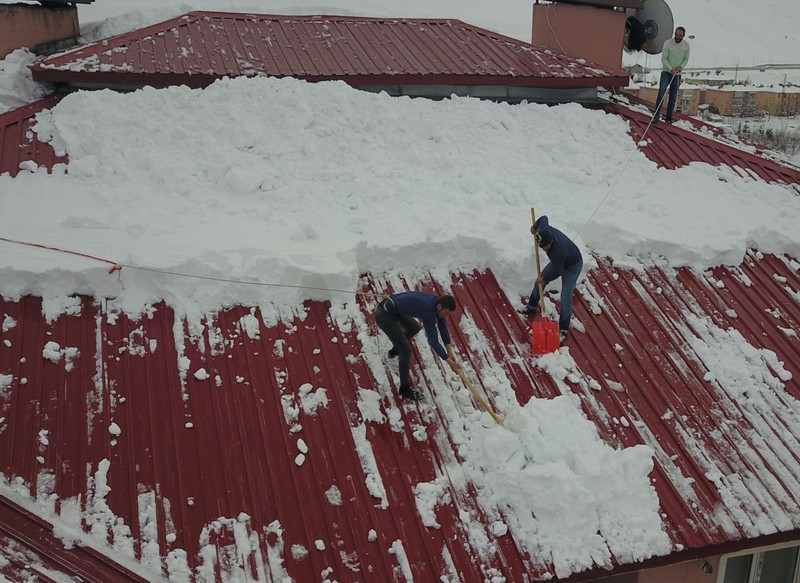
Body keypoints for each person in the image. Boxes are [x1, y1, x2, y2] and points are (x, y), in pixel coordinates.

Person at [374, 291, 460, 401]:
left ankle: (395, 350)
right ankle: (405, 390)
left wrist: (450, 351)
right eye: (446, 313)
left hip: (393, 308)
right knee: (406, 352)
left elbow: (442, 326)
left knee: (415, 327)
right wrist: (450, 362)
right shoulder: (428, 310)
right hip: (385, 315)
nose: (446, 316)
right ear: (440, 306)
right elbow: (433, 341)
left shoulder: (436, 302)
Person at [517, 216, 583, 344]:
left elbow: (560, 270)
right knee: (538, 282)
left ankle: (563, 329)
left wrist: (545, 279)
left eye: (545, 247)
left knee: (565, 297)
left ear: (551, 242)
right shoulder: (544, 230)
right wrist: (535, 227)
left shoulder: (558, 251)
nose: (544, 249)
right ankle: (531, 306)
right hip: (560, 262)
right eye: (541, 247)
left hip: (572, 265)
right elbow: (544, 218)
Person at [652, 27, 690, 124]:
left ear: (683, 35)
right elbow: (664, 59)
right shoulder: (667, 43)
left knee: (673, 97)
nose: (677, 37)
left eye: (680, 36)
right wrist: (671, 69)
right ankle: (656, 115)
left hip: (677, 74)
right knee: (662, 92)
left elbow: (686, 59)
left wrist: (680, 67)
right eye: (676, 35)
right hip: (666, 72)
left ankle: (668, 118)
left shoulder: (686, 45)